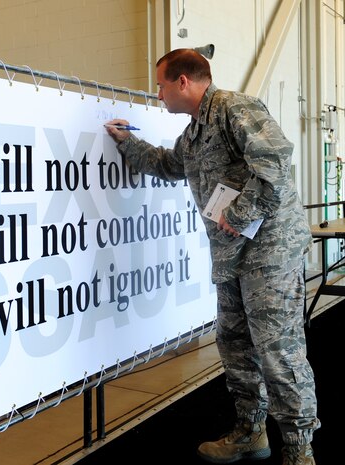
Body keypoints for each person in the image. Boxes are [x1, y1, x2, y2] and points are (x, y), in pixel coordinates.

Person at [105, 48, 320, 465]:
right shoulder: (193, 133)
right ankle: (250, 431)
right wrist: (128, 143)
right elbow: (169, 165)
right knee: (236, 345)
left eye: (162, 85)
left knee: (277, 348)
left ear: (183, 82)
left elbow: (275, 160)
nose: (159, 94)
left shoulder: (232, 108)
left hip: (270, 251)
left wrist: (239, 214)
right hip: (232, 256)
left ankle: (298, 448)